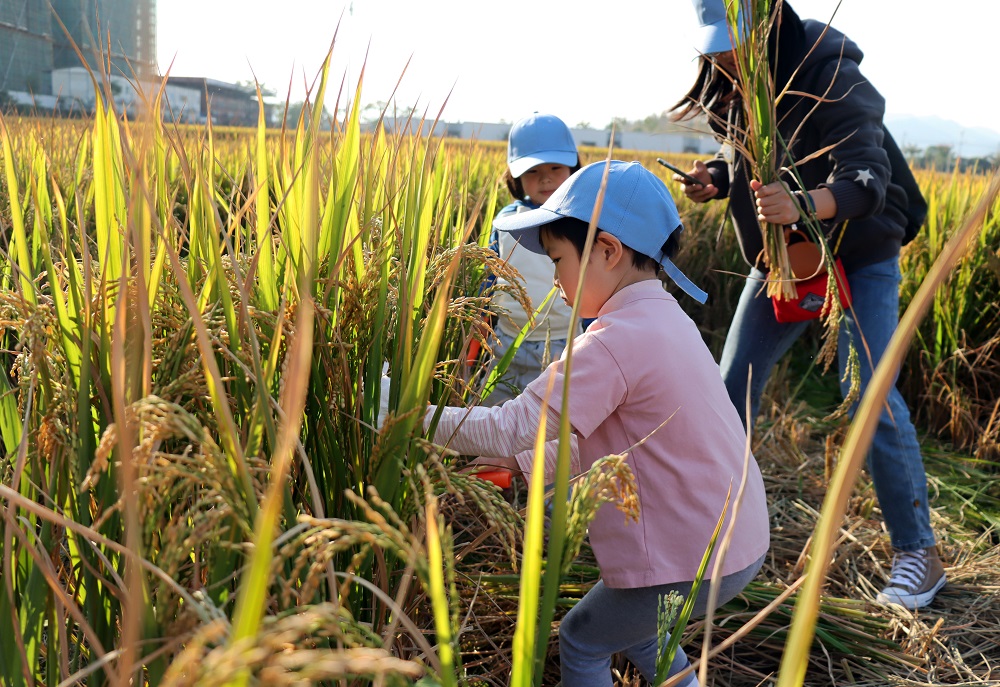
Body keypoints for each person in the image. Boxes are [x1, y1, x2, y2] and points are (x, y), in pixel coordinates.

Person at [426, 160, 770, 687]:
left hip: (692, 556)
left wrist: (406, 417)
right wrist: (519, 466)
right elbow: (594, 440)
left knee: (583, 639)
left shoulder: (612, 342)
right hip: (733, 539)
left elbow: (511, 426)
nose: (556, 282)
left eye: (559, 259)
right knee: (637, 632)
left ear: (607, 251)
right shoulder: (665, 319)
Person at [671, 0, 945, 608]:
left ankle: (917, 552)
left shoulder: (830, 68)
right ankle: (712, 535)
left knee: (870, 389)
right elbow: (749, 162)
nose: (727, 57)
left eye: (738, 42)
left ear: (772, 22)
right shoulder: (729, 81)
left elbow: (869, 179)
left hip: (858, 252)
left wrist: (803, 202)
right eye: (717, 46)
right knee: (729, 388)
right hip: (783, 260)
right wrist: (717, 178)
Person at [481, 113, 580, 406]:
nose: (546, 177)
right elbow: (490, 272)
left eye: (555, 167)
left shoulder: (583, 218)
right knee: (494, 410)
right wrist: (480, 314)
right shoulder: (505, 221)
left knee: (552, 420)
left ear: (573, 168)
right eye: (533, 171)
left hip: (567, 342)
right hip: (507, 341)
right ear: (517, 177)